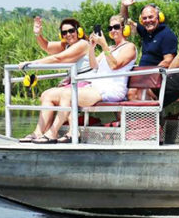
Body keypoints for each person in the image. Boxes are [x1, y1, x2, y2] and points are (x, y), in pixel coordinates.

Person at [24, 14, 137, 144]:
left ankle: (53, 132)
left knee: (69, 94)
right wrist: (93, 48)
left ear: (125, 29)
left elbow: (115, 65)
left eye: (116, 27)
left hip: (111, 90)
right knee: (48, 95)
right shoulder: (111, 48)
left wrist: (104, 45)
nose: (112, 30)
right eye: (110, 28)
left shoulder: (129, 47)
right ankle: (43, 132)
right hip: (96, 87)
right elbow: (94, 65)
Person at [18, 17, 91, 142]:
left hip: (86, 84)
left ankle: (54, 132)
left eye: (71, 31)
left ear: (78, 31)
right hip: (73, 83)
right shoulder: (66, 45)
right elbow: (46, 46)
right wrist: (38, 34)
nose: (68, 34)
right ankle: (38, 132)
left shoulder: (83, 44)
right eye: (64, 33)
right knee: (46, 95)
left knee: (57, 94)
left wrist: (33, 63)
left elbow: (59, 59)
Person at [120, 0, 179, 99]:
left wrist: (150, 75)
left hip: (156, 79)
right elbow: (125, 22)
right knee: (122, 91)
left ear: (159, 17)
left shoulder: (167, 35)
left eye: (151, 17)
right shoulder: (146, 31)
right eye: (144, 18)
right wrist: (124, 6)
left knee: (132, 93)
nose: (148, 21)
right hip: (142, 77)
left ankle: (142, 116)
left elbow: (169, 60)